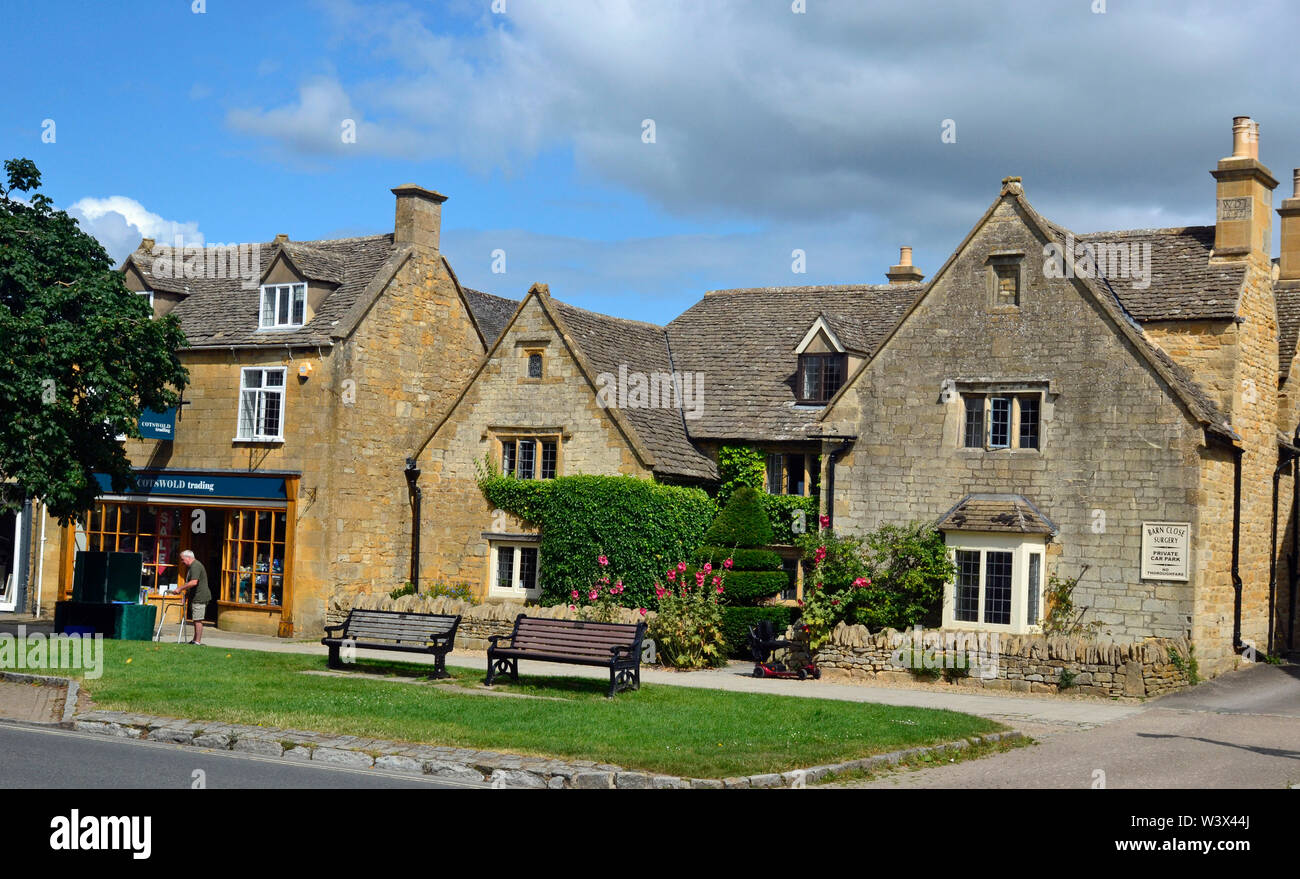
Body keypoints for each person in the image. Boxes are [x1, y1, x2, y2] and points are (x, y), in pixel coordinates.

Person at [178, 550, 211, 645]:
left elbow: (193, 582)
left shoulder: (195, 566)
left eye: (182, 559)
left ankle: (197, 641)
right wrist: (185, 597)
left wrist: (180, 588)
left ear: (188, 557)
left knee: (198, 619)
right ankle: (194, 640)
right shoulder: (192, 566)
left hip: (200, 596)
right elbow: (191, 584)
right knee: (196, 619)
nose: (182, 562)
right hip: (196, 596)